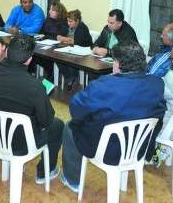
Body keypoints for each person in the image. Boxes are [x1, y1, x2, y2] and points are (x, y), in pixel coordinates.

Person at [60, 41, 166, 192]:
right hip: (139, 147)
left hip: (108, 150)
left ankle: (72, 180)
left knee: (70, 127)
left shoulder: (104, 85)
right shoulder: (157, 84)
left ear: (117, 64)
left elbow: (76, 109)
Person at [0, 36, 64, 184]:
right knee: (58, 125)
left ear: (7, 51)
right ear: (29, 59)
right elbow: (46, 121)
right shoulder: (34, 85)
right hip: (22, 143)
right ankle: (44, 172)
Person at [56, 9, 93, 90]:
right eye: (68, 21)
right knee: (57, 59)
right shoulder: (67, 26)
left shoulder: (82, 27)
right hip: (70, 49)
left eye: (71, 21)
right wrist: (67, 39)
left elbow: (76, 42)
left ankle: (72, 79)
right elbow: (58, 36)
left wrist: (65, 39)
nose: (68, 23)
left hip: (83, 52)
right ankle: (70, 78)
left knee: (71, 60)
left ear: (77, 21)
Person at [34, 2, 69, 82]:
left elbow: (60, 36)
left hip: (58, 48)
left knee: (47, 57)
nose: (49, 11)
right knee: (34, 54)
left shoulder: (64, 22)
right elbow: (42, 33)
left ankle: (50, 76)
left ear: (58, 12)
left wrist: (49, 36)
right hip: (45, 45)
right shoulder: (48, 20)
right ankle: (33, 75)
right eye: (50, 9)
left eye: (52, 10)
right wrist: (47, 36)